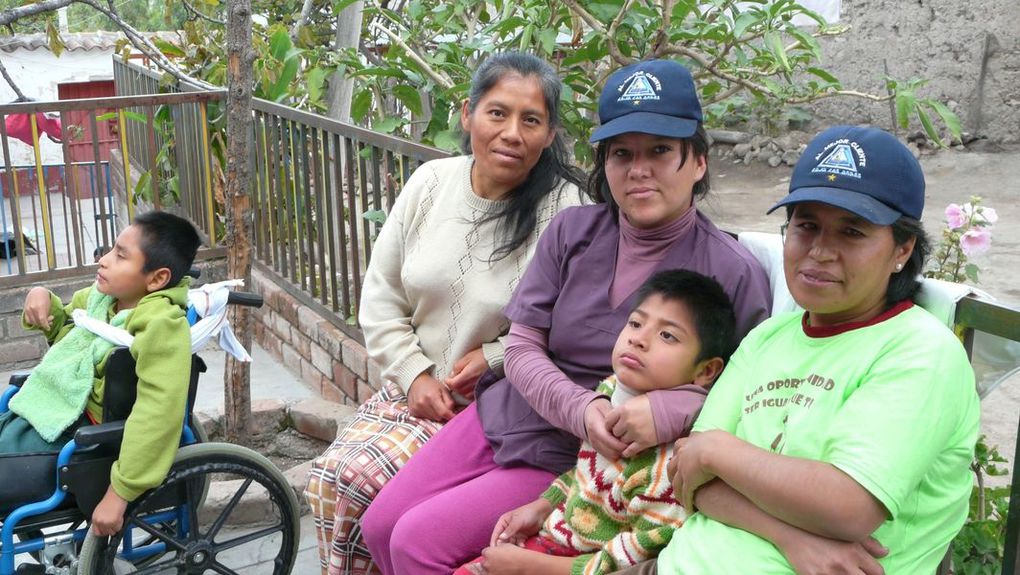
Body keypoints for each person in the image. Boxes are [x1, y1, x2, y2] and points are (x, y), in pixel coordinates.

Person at [361, 58, 772, 575]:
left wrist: (673, 409)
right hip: (510, 412)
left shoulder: (730, 271)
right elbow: (521, 344)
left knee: (417, 544)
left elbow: (746, 395)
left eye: (661, 151)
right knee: (379, 527)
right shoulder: (575, 232)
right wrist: (581, 407)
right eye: (622, 153)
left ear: (699, 162)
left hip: (586, 458)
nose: (639, 169)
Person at [622, 125, 979, 575]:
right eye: (807, 226)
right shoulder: (769, 337)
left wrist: (718, 452)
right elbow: (689, 478)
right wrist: (789, 534)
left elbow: (848, 506)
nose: (821, 251)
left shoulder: (920, 352)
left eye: (852, 232)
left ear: (902, 249)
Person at [304, 51, 586, 575]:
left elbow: (573, 329)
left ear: (550, 135)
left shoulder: (565, 210)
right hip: (412, 389)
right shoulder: (431, 183)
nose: (512, 133)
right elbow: (381, 294)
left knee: (368, 488)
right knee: (330, 480)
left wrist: (498, 355)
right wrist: (413, 375)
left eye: (532, 120)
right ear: (467, 114)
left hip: (495, 404)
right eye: (497, 113)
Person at [454, 269, 737, 575]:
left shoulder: (668, 465)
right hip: (553, 541)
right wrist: (542, 506)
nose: (639, 339)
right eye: (636, 323)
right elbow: (587, 476)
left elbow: (635, 558)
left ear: (706, 371)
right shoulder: (611, 390)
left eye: (667, 335)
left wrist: (530, 566)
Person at [2, 211, 201, 536]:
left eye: (120, 256)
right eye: (111, 249)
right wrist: (41, 299)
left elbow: (158, 413)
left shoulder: (162, 326)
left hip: (77, 439)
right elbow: (70, 334)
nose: (103, 260)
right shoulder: (102, 300)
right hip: (43, 416)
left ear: (156, 279)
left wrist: (120, 492)